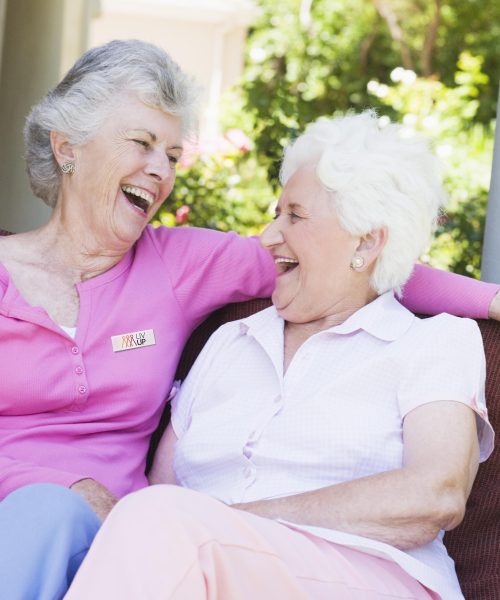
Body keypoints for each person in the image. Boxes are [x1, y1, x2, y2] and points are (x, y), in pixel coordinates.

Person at [0, 40, 498, 600]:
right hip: (75, 531)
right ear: (67, 148)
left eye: (172, 155)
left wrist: (490, 299)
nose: (161, 171)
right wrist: (68, 488)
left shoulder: (180, 265)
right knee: (46, 515)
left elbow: (362, 263)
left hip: (144, 538)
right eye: (142, 143)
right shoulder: (232, 345)